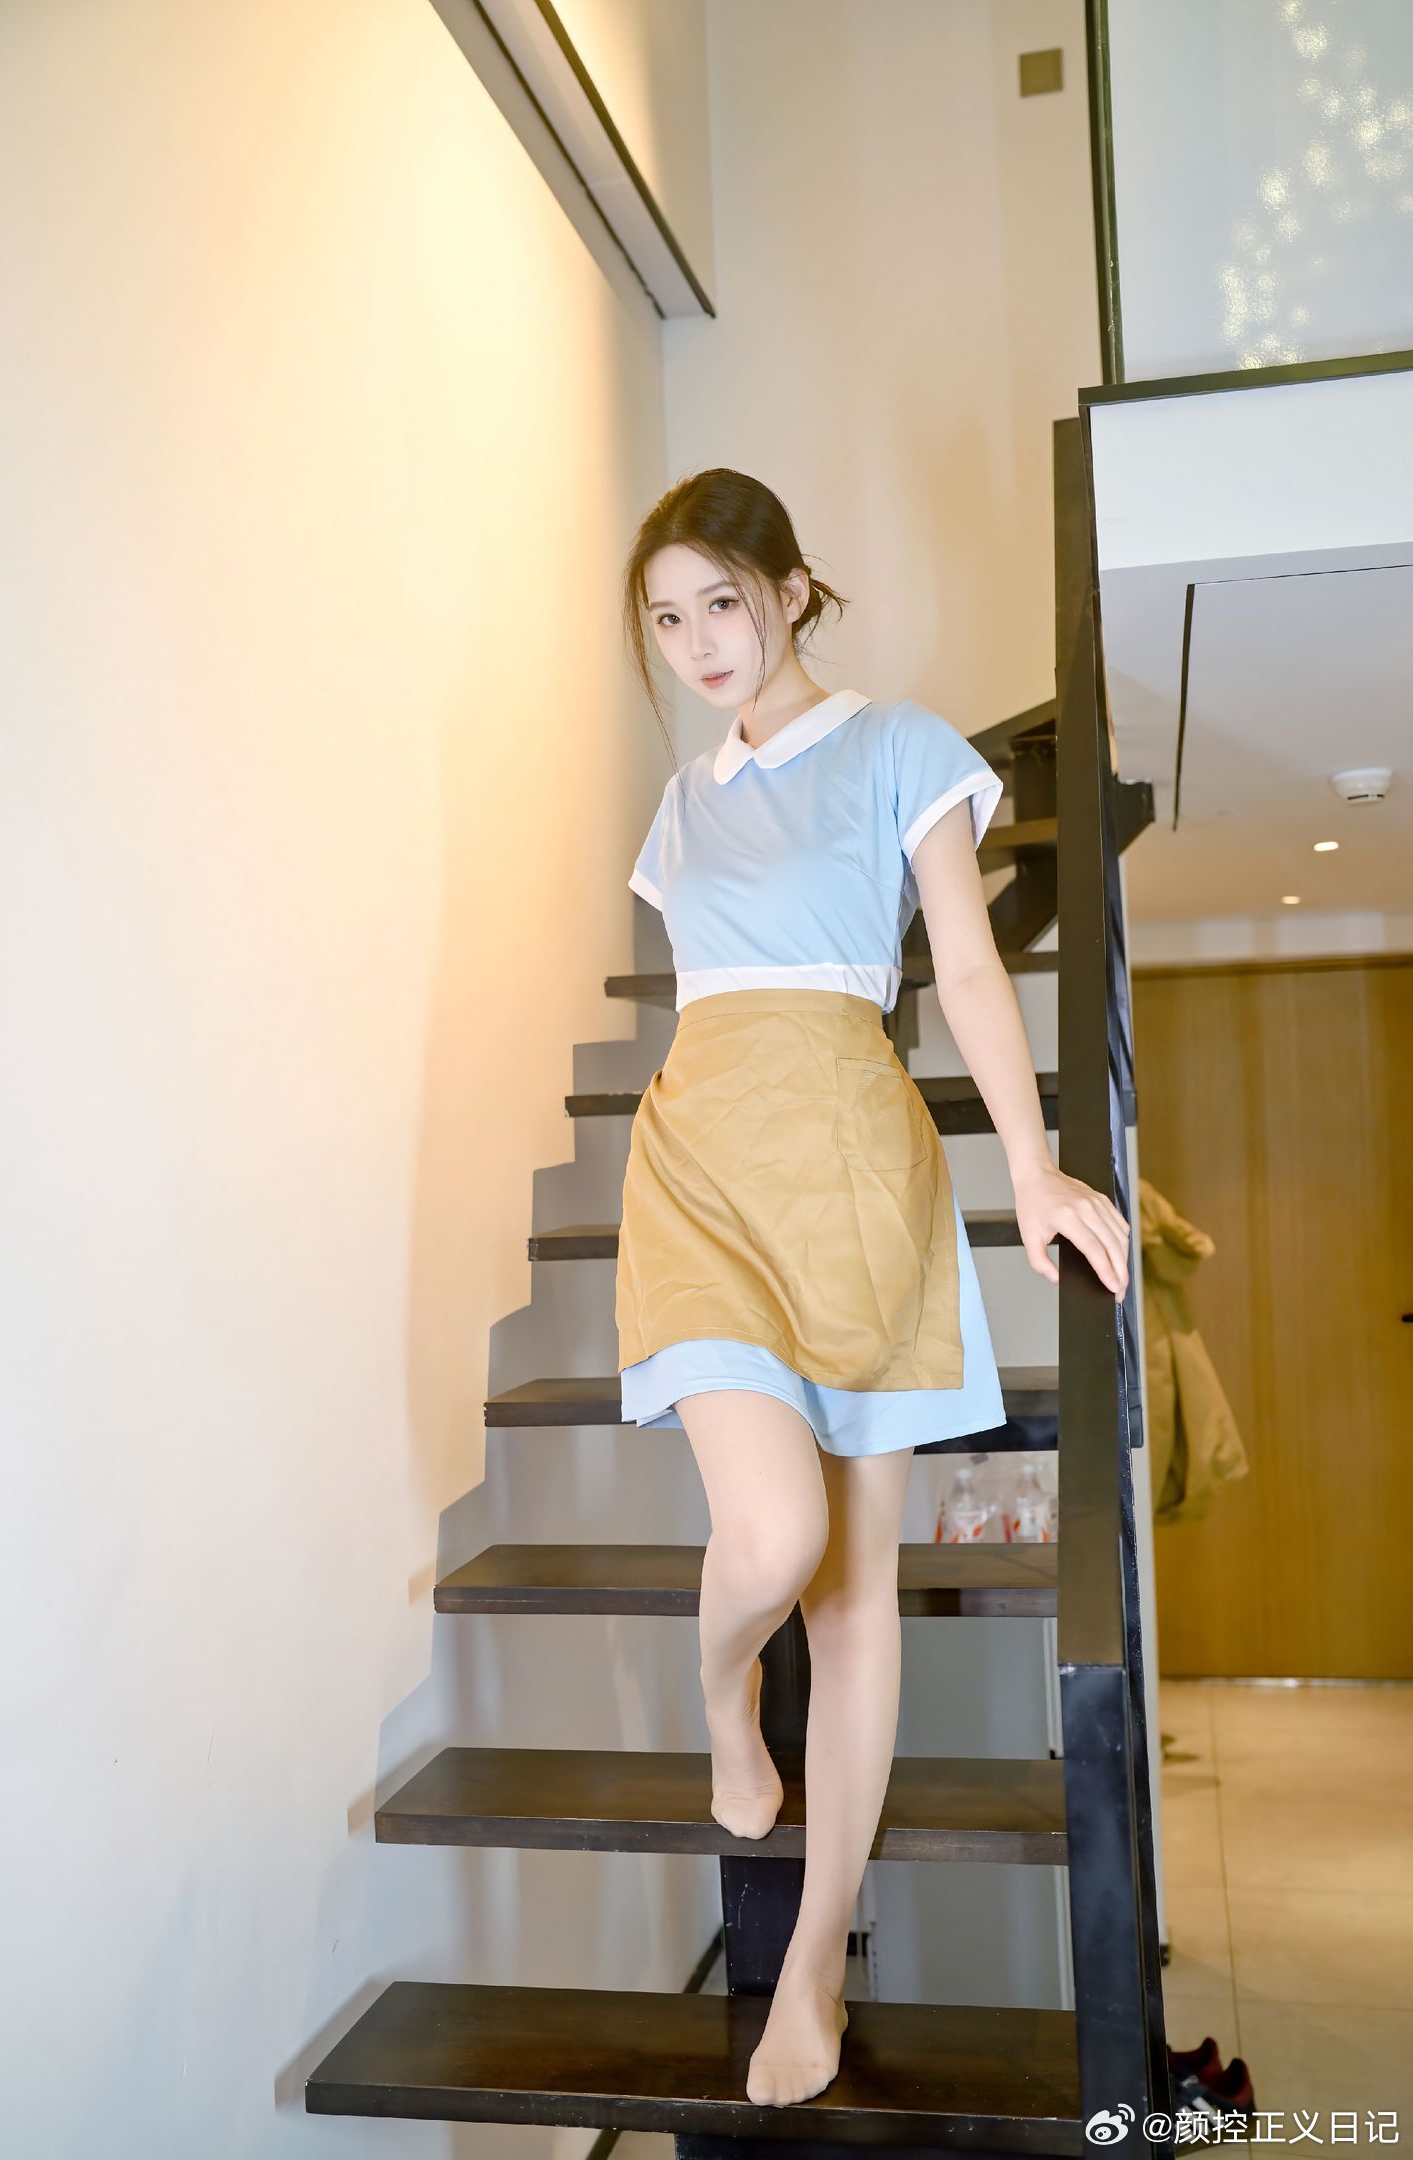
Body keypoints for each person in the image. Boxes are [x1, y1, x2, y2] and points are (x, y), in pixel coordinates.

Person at [613, 468, 1131, 2109]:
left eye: (723, 601)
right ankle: (719, 1697)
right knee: (769, 1539)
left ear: (791, 588)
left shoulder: (903, 746)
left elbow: (964, 965)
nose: (701, 641)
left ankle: (816, 1964)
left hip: (855, 1177)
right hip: (701, 1170)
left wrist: (1033, 1168)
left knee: (849, 1603)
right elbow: (706, 1006)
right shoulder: (682, 805)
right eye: (667, 618)